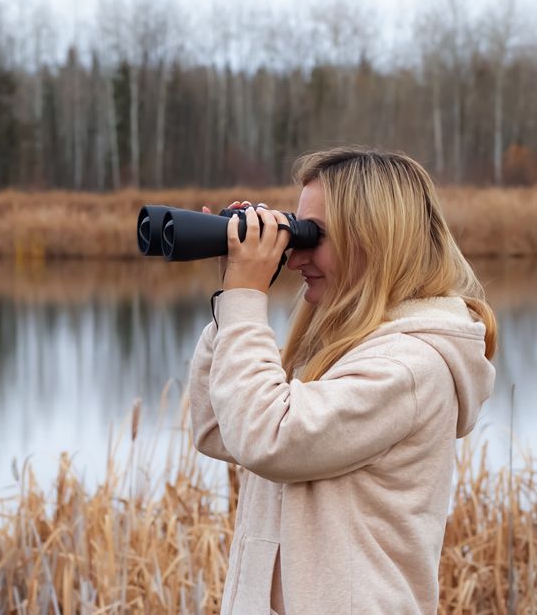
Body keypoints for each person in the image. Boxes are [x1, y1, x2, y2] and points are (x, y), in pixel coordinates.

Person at [189, 147, 496, 615]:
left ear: (377, 240)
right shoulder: (342, 349)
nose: (296, 258)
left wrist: (246, 297)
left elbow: (267, 437)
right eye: (299, 232)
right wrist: (231, 300)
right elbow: (219, 427)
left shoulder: (409, 367)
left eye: (315, 235)